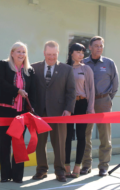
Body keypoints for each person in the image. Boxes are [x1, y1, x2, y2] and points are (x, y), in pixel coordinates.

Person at [31, 41, 76, 182]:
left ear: (58, 53)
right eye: (49, 54)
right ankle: (41, 170)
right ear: (44, 53)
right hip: (39, 113)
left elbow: (71, 92)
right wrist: (31, 109)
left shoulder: (67, 69)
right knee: (40, 143)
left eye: (54, 54)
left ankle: (60, 171)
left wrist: (68, 109)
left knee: (59, 144)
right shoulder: (34, 68)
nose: (51, 57)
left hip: (59, 113)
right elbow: (31, 90)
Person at [0, 41, 36, 183]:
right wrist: (17, 91)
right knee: (5, 143)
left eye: (23, 52)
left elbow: (33, 92)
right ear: (12, 53)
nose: (21, 54)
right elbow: (0, 82)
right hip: (5, 109)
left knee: (18, 143)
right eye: (18, 51)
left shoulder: (29, 71)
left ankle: (18, 176)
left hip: (22, 112)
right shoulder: (3, 65)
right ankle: (5, 175)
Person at [81, 36, 119, 177]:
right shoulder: (83, 63)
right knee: (85, 135)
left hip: (103, 102)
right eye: (96, 45)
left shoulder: (109, 63)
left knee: (105, 136)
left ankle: (103, 166)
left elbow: (115, 84)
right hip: (86, 103)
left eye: (101, 46)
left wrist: (108, 99)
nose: (99, 48)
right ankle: (86, 165)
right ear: (90, 47)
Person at [64, 43, 95, 178]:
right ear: (71, 53)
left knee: (82, 136)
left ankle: (77, 167)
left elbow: (91, 90)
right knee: (67, 137)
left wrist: (90, 108)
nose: (81, 55)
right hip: (69, 106)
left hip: (82, 104)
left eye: (83, 52)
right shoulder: (65, 68)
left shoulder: (86, 69)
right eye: (78, 52)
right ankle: (66, 167)